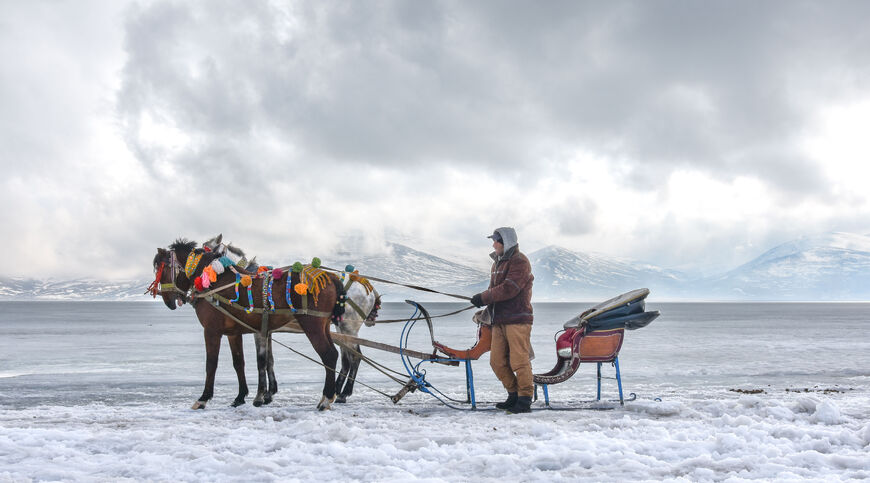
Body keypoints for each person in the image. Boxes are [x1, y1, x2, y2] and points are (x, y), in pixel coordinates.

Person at [470, 227, 535, 413]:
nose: (493, 244)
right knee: (497, 361)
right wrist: (483, 303)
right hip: (498, 320)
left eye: (496, 241)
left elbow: (509, 288)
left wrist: (483, 297)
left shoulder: (520, 261)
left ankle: (524, 399)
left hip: (517, 319)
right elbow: (496, 291)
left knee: (519, 360)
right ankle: (513, 394)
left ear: (506, 241)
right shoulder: (497, 263)